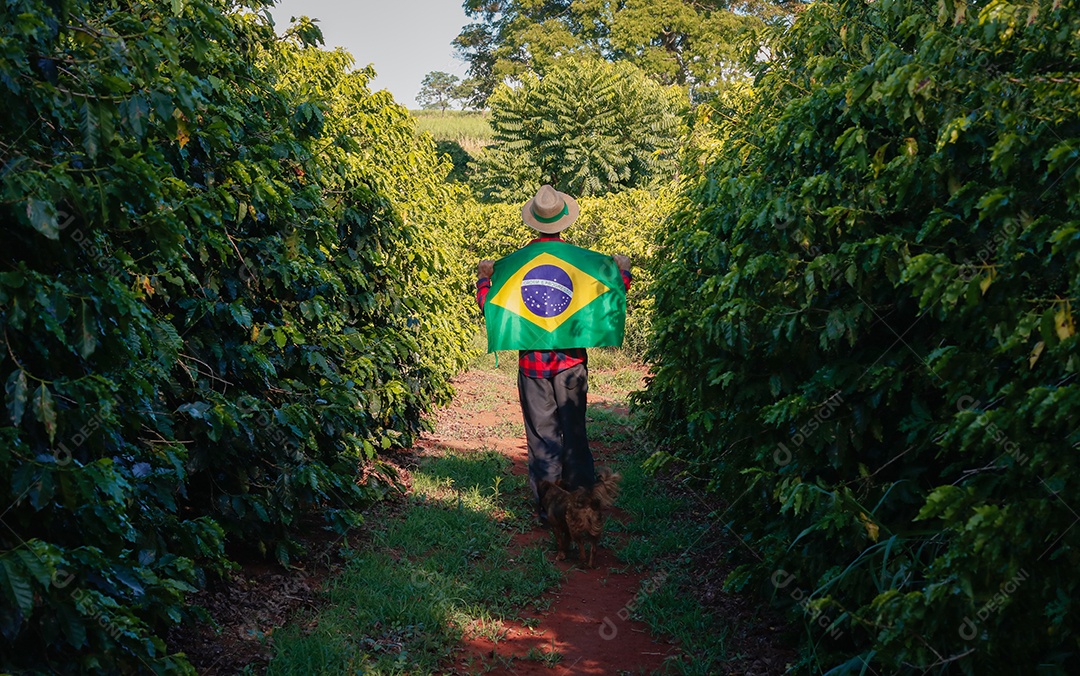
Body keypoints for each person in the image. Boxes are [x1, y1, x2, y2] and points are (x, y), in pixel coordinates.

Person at [475, 184, 632, 524]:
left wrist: (484, 280)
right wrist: (623, 270)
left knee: (542, 436)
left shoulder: (514, 265)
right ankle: (584, 506)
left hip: (532, 366)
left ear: (534, 224)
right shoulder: (581, 263)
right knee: (575, 433)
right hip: (572, 364)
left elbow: (490, 306)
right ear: (564, 222)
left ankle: (550, 510)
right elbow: (613, 293)